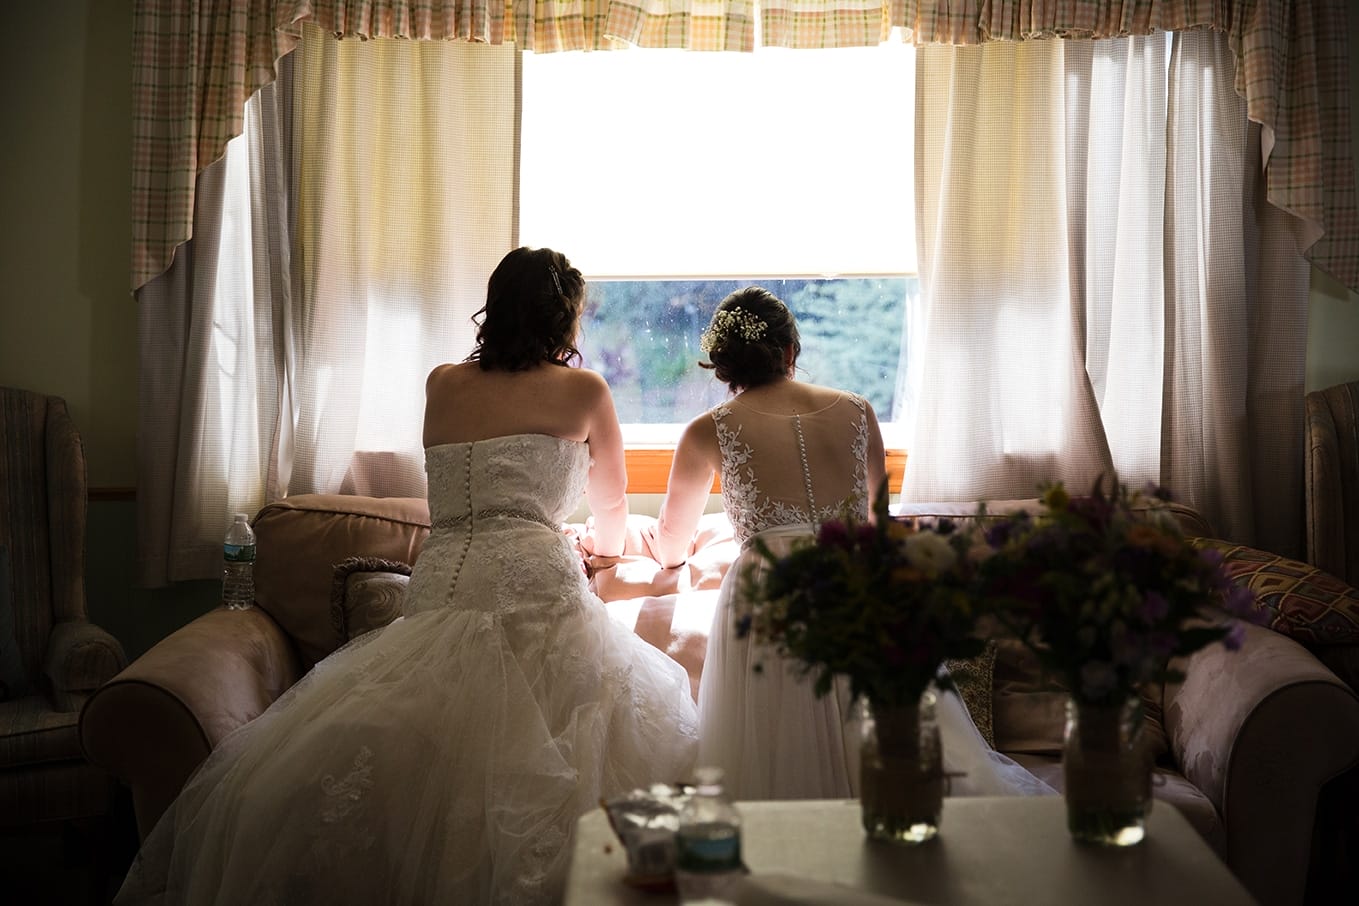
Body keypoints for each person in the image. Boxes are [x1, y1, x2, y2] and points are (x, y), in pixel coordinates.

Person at [115, 247, 700, 906]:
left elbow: (465, 494)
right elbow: (612, 500)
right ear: (565, 318)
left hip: (444, 576)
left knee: (433, 745)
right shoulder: (584, 391)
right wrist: (603, 549)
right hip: (536, 580)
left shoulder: (443, 382)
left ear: (497, 306)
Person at [650, 286, 1051, 801]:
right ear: (791, 351)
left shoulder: (707, 430)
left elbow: (670, 544)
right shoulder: (858, 411)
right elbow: (877, 527)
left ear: (722, 364)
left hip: (771, 590)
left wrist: (638, 545)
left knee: (774, 749)